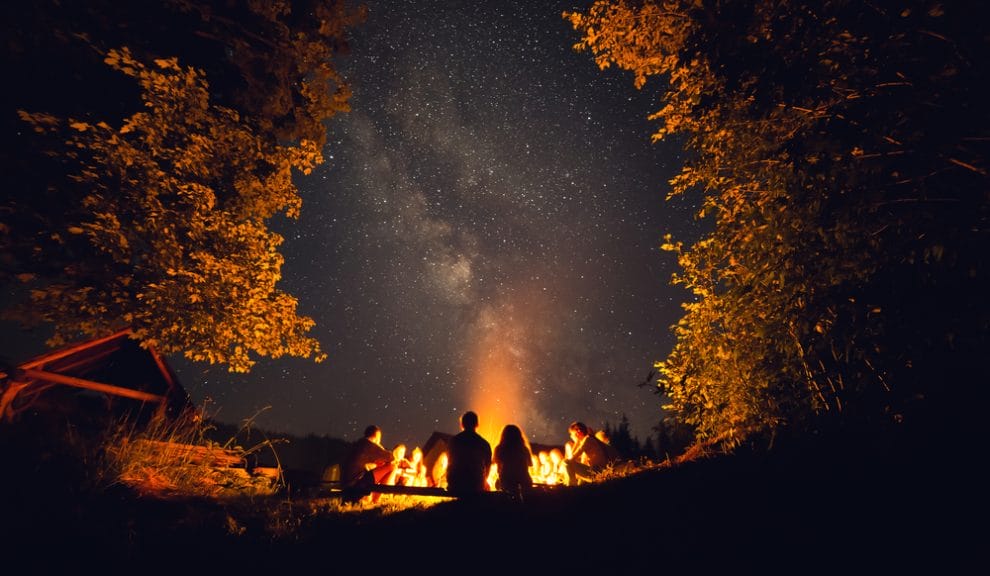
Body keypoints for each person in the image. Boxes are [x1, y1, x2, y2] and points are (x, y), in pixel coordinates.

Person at [445, 411, 492, 496]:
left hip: (455, 484)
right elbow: (488, 467)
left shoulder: (453, 441)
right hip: (476, 484)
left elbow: (450, 462)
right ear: (477, 424)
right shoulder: (484, 443)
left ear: (462, 424)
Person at [340, 425, 396, 492]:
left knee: (378, 465)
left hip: (345, 485)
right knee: (392, 466)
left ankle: (370, 497)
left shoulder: (359, 443)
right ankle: (376, 499)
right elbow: (391, 457)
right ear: (377, 436)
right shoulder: (369, 446)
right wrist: (379, 445)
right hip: (355, 486)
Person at [563, 421, 617, 486]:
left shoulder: (587, 441)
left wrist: (577, 442)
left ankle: (571, 486)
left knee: (566, 462)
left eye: (573, 434)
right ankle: (577, 487)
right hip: (597, 472)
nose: (572, 437)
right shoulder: (590, 439)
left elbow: (572, 459)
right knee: (577, 468)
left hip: (598, 473)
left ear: (578, 432)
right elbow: (583, 464)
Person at [492, 424, 533, 497]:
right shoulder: (524, 449)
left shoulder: (499, 449)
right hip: (524, 481)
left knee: (497, 484)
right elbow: (530, 464)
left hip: (506, 482)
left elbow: (496, 466)